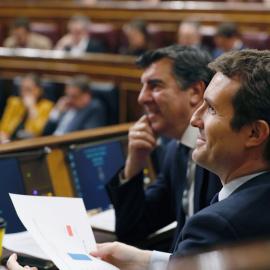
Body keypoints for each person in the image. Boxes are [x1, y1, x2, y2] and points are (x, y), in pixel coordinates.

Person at [7, 49, 270, 270]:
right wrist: (144, 259)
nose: (195, 119)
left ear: (255, 133)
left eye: (210, 107)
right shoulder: (175, 153)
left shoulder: (220, 197)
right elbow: (209, 261)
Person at [106, 45, 222, 251]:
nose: (142, 98)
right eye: (143, 87)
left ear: (195, 91)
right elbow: (133, 230)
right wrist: (135, 161)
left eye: (155, 86)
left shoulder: (224, 151)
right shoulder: (174, 152)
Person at [42, 75, 107, 136]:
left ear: (87, 95)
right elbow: (44, 133)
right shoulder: (66, 107)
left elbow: (89, 136)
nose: (69, 100)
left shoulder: (94, 108)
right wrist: (57, 112)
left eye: (73, 96)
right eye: (67, 95)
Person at [0, 74, 54, 143]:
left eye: (28, 89)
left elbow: (37, 132)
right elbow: (3, 126)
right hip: (8, 141)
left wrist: (31, 108)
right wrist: (3, 135)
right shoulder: (14, 102)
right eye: (22, 89)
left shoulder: (46, 106)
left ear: (39, 90)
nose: (24, 93)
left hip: (29, 144)